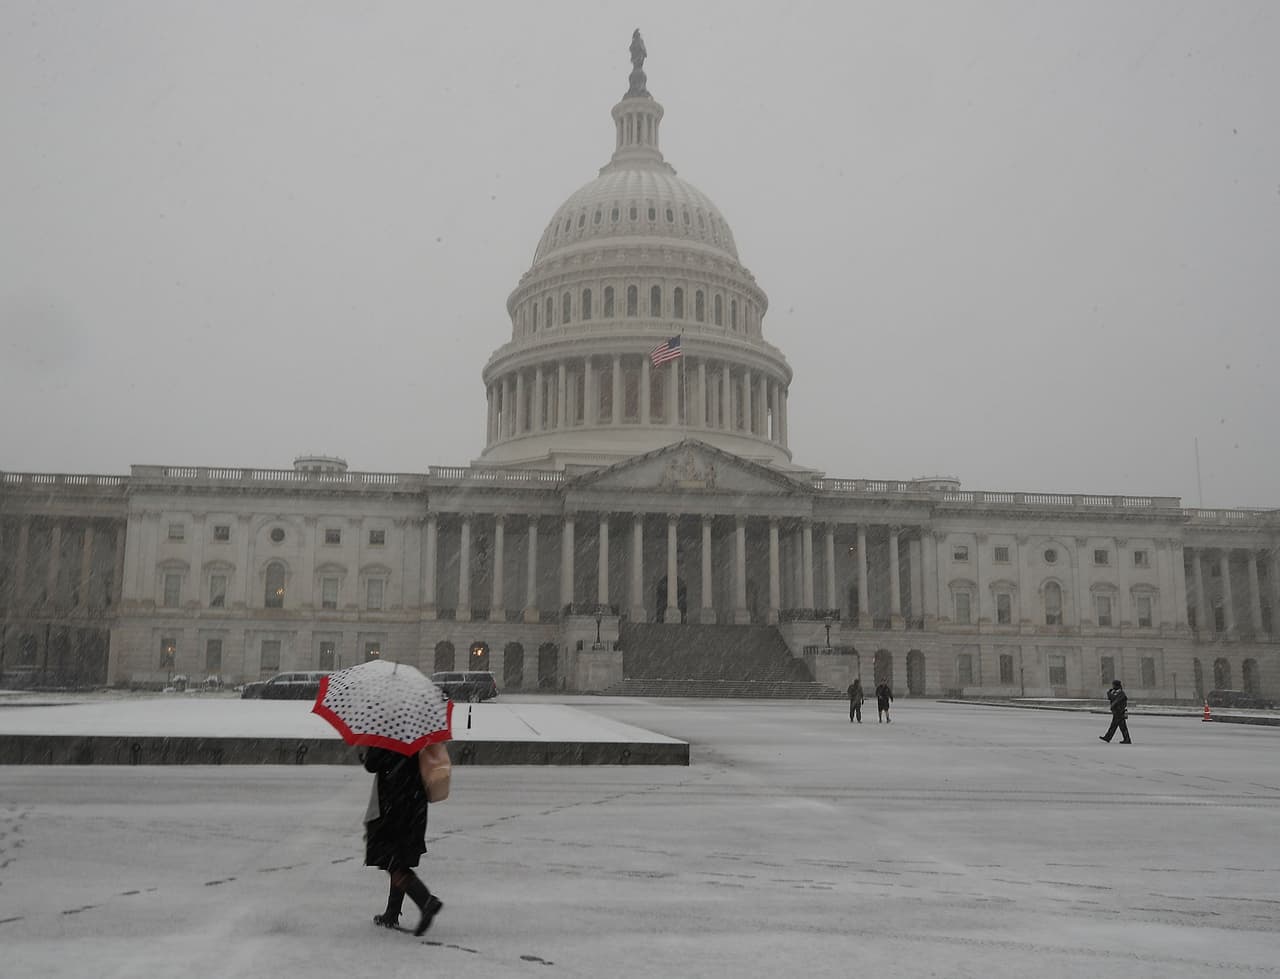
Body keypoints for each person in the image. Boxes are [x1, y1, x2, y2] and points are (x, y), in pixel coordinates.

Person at [360, 745, 444, 935]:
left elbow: (372, 764)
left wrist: (366, 754)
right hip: (414, 802)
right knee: (399, 858)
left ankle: (426, 901)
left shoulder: (385, 733)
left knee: (390, 860)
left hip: (391, 803)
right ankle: (392, 912)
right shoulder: (418, 735)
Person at [1100, 679, 1132, 744]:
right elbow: (1111, 698)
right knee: (1118, 726)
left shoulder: (1120, 693)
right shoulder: (1116, 692)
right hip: (1117, 712)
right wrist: (1110, 693)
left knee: (1118, 726)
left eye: (1113, 685)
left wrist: (1109, 693)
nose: (1112, 686)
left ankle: (1109, 737)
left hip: (1120, 712)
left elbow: (1114, 698)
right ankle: (1109, 737)